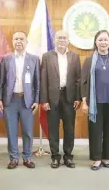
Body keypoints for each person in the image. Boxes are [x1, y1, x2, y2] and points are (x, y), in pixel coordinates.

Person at [81, 30, 109, 170]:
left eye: (105, 40)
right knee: (95, 131)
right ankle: (96, 159)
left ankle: (106, 158)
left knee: (108, 131)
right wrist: (84, 102)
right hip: (95, 103)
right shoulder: (89, 60)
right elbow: (83, 82)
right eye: (100, 40)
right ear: (96, 42)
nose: (103, 43)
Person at [0, 31, 40, 169]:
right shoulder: (6, 59)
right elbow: (1, 82)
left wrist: (37, 100)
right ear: (13, 41)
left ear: (26, 42)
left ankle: (27, 157)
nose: (19, 41)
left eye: (22, 39)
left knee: (28, 131)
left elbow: (37, 82)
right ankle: (14, 158)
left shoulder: (34, 59)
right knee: (11, 131)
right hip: (10, 101)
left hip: (27, 101)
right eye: (16, 39)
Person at [40, 30, 81, 168]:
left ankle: (68, 157)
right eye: (59, 38)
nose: (62, 40)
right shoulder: (47, 56)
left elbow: (78, 79)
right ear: (55, 40)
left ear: (68, 40)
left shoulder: (75, 56)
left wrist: (77, 97)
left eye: (64, 37)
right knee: (53, 129)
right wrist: (44, 100)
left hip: (69, 97)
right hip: (52, 98)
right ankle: (55, 157)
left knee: (69, 129)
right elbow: (43, 79)